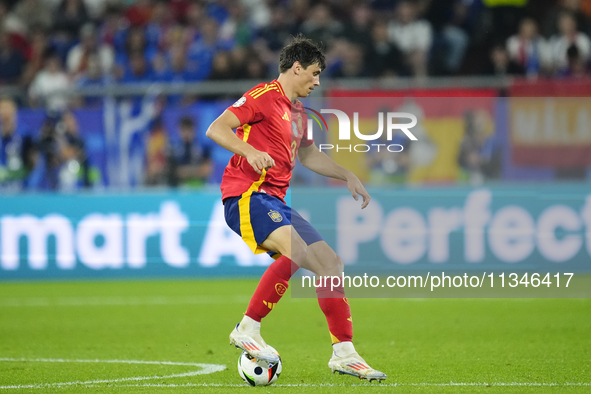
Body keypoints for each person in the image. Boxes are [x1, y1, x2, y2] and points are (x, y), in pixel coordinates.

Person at [206, 35, 386, 381]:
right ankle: (247, 328)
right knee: (297, 250)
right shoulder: (262, 97)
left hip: (275, 201)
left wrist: (346, 174)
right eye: (315, 73)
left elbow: (308, 155)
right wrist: (249, 152)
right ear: (297, 67)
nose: (317, 82)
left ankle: (344, 353)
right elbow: (217, 128)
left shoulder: (300, 112)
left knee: (331, 264)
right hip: (246, 195)